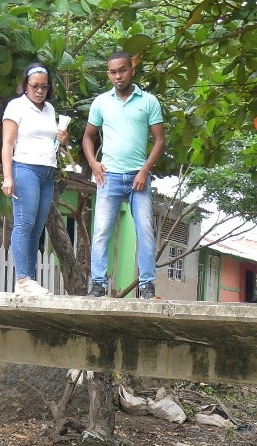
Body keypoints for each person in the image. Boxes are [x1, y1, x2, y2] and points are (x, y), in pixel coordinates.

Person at [82, 51, 166, 299]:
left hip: (138, 177)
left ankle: (147, 285)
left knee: (146, 231)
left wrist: (144, 171)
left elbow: (160, 140)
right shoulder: (101, 102)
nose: (118, 76)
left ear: (132, 70)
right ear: (108, 74)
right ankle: (98, 284)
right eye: (113, 72)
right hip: (109, 177)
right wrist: (93, 163)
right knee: (101, 232)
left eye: (122, 70)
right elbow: (88, 136)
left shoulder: (149, 101)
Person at [2, 63, 69, 296]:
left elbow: (51, 141)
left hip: (47, 171)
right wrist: (8, 177)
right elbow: (7, 143)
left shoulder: (49, 109)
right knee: (24, 223)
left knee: (37, 228)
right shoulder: (16, 106)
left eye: (44, 87)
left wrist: (62, 139)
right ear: (26, 85)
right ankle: (22, 279)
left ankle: (28, 280)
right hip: (25, 168)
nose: (39, 91)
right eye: (35, 86)